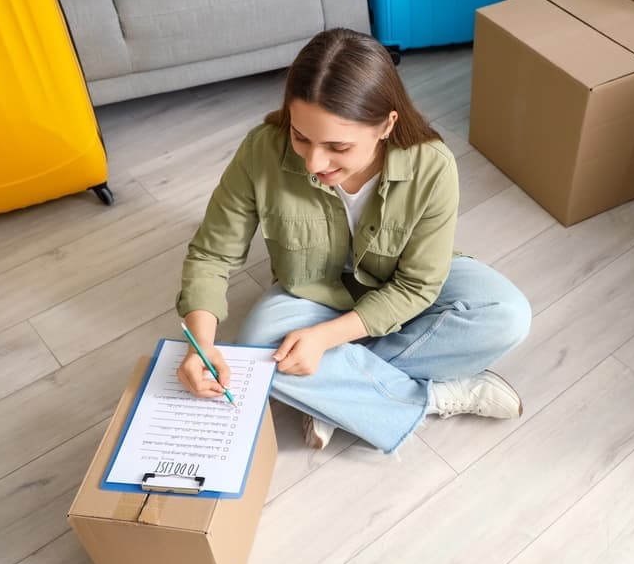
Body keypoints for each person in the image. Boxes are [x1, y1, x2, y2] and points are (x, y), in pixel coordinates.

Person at [175, 28, 531, 453]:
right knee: (257, 343)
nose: (314, 161)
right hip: (311, 292)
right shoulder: (261, 151)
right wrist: (201, 345)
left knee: (507, 315)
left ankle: (334, 394)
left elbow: (417, 285)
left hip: (400, 285)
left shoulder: (432, 167)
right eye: (300, 136)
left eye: (337, 146)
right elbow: (212, 254)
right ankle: (430, 397)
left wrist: (325, 339)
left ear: (386, 125)